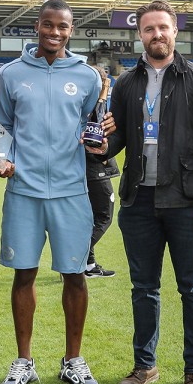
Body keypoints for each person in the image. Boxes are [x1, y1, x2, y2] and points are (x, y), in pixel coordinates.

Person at [104, 0, 193, 384]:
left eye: (163, 27)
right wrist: (99, 144)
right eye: (148, 29)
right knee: (144, 287)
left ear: (175, 31)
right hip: (138, 200)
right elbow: (118, 139)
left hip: (188, 200)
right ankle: (145, 365)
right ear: (139, 35)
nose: (156, 35)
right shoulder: (126, 83)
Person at [0, 0, 105, 384]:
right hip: (23, 191)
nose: (54, 32)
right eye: (48, 25)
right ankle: (24, 361)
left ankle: (72, 360)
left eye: (62, 27)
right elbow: (4, 125)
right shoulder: (9, 74)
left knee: (74, 275)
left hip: (71, 191)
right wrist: (3, 159)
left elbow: (93, 126)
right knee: (24, 273)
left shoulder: (88, 76)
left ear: (71, 30)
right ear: (36, 26)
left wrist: (99, 142)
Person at [84, 65, 120, 279]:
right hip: (95, 169)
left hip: (87, 169)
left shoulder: (82, 103)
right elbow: (97, 135)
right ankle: (77, 259)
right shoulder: (94, 106)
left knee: (90, 218)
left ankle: (88, 265)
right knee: (104, 215)